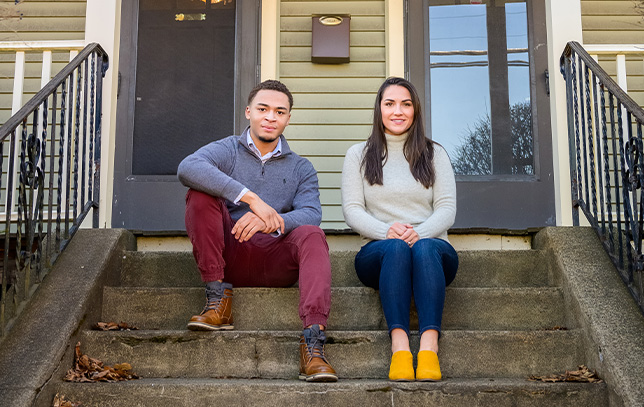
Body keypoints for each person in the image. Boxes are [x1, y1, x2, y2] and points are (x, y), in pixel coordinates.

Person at [177, 79, 337, 382]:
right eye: (263, 109)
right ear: (249, 112)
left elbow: (312, 213)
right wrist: (250, 198)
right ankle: (217, 301)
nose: (270, 117)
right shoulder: (228, 150)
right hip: (231, 253)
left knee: (313, 235)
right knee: (199, 194)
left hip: (277, 260)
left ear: (288, 118)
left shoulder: (301, 168)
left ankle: (313, 344)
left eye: (280, 111)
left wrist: (270, 219)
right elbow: (188, 168)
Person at [341, 77, 458, 382]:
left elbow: (446, 208)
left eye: (406, 104)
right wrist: (386, 231)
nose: (398, 111)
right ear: (379, 109)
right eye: (389, 103)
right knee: (395, 247)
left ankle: (429, 348)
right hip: (379, 252)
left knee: (423, 247)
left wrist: (419, 233)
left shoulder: (435, 154)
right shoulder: (358, 155)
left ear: (415, 111)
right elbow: (352, 210)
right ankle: (401, 349)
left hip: (431, 250)